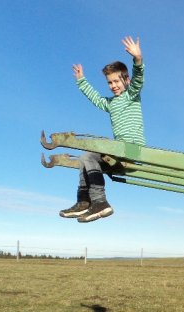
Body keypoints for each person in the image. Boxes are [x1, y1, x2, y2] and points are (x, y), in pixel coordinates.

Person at [59, 36, 145, 223]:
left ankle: (100, 202)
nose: (113, 86)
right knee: (85, 158)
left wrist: (138, 59)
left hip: (131, 148)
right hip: (119, 150)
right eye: (109, 82)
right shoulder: (111, 103)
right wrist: (81, 80)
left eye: (116, 81)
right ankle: (84, 201)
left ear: (126, 80)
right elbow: (96, 98)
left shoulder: (131, 94)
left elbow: (138, 78)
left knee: (91, 151)